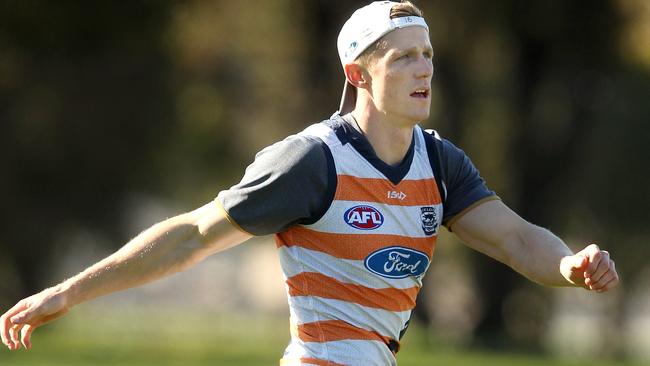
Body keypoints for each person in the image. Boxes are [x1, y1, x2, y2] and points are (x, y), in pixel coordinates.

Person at [1, 1, 619, 365]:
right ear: (357, 73)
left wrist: (568, 264)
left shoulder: (440, 164)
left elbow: (514, 239)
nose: (424, 68)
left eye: (427, 55)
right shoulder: (310, 162)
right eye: (403, 57)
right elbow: (191, 235)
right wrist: (69, 293)